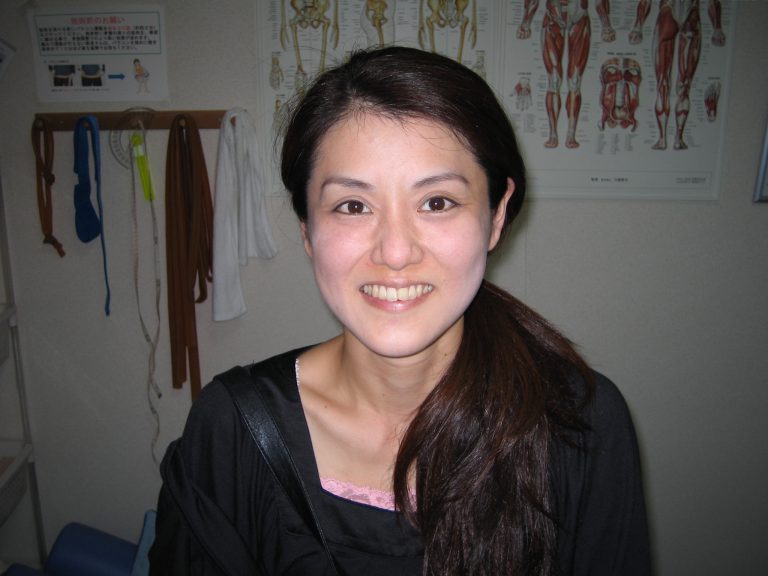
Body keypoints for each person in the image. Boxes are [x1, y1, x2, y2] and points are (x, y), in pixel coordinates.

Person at [149, 46, 651, 575]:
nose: (394, 252)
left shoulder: (580, 424)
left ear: (497, 215)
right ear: (307, 230)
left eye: (437, 202)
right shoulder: (232, 430)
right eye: (353, 206)